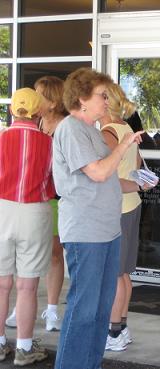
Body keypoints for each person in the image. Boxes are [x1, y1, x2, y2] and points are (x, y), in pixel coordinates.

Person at [52, 68, 143, 369]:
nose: (107, 101)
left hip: (106, 231)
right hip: (86, 232)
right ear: (82, 99)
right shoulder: (71, 129)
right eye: (102, 96)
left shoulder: (90, 129)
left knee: (101, 310)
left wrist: (139, 183)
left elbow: (108, 180)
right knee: (84, 309)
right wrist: (124, 145)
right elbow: (100, 171)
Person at [5, 76, 68, 332]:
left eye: (40, 94)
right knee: (25, 269)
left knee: (53, 255)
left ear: (52, 101)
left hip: (48, 201)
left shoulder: (64, 127)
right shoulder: (42, 130)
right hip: (35, 202)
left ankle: (51, 309)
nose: (36, 98)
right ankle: (23, 321)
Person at [100, 83, 156, 352]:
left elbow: (108, 176)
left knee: (114, 274)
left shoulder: (108, 133)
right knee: (122, 274)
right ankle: (121, 327)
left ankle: (113, 332)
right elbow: (136, 169)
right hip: (131, 206)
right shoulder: (128, 129)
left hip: (117, 208)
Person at [0, 88, 54, 365]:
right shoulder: (49, 143)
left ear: (12, 110)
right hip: (34, 212)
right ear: (39, 112)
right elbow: (56, 186)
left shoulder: (1, 138)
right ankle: (23, 347)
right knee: (27, 285)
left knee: (1, 284)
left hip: (1, 209)